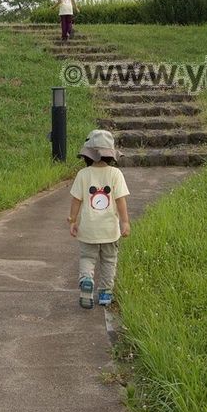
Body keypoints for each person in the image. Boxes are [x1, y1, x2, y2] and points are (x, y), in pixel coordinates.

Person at [67, 129, 130, 309]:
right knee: (109, 260)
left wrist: (72, 220)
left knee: (87, 257)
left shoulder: (83, 175)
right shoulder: (115, 174)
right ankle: (105, 292)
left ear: (87, 155)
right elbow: (120, 201)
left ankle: (87, 280)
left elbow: (76, 200)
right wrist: (125, 222)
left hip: (88, 228)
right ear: (111, 155)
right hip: (110, 229)